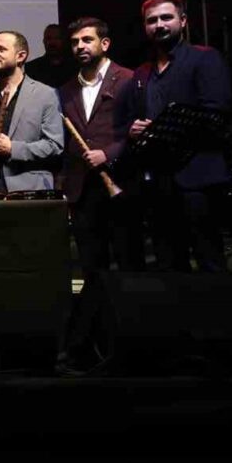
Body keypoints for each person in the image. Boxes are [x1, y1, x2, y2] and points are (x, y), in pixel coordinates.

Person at [119, 0, 232, 272]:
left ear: (183, 21)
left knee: (210, 261)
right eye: (151, 20)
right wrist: (133, 130)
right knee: (168, 265)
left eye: (166, 17)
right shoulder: (141, 73)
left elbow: (217, 116)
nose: (159, 24)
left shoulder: (204, 58)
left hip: (198, 178)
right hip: (157, 183)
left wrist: (161, 129)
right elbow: (132, 119)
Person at [57, 17, 142, 272]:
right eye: (75, 42)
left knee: (129, 262)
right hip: (81, 189)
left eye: (87, 40)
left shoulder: (129, 79)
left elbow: (140, 131)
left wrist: (108, 153)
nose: (80, 46)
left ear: (104, 44)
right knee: (91, 266)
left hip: (120, 182)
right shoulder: (66, 90)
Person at [0, 30, 63, 193]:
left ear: (21, 56)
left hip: (31, 190)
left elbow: (54, 145)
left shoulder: (46, 95)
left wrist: (12, 148)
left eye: (1, 49)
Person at [24, 23, 77, 89]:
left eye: (57, 38)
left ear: (64, 41)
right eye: (48, 38)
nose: (52, 42)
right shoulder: (30, 69)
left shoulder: (76, 67)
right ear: (44, 41)